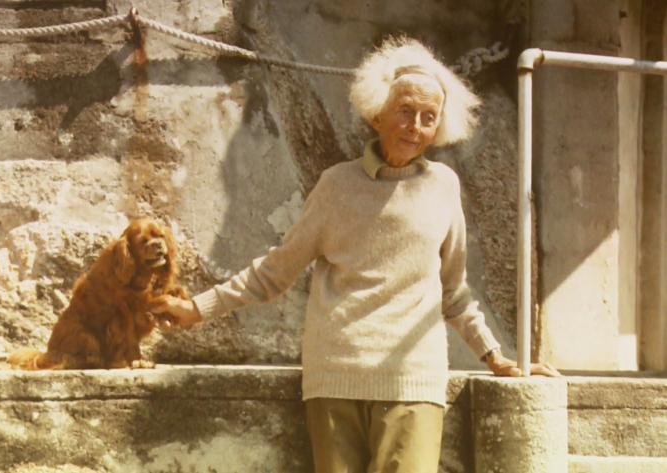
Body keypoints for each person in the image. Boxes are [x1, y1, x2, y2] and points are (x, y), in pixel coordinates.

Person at [151, 36, 560, 473]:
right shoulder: (334, 186)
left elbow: (453, 292)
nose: (415, 126)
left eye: (428, 117)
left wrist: (497, 357)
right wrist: (196, 308)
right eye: (405, 111)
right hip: (335, 376)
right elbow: (275, 271)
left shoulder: (443, 186)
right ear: (378, 112)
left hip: (412, 380)